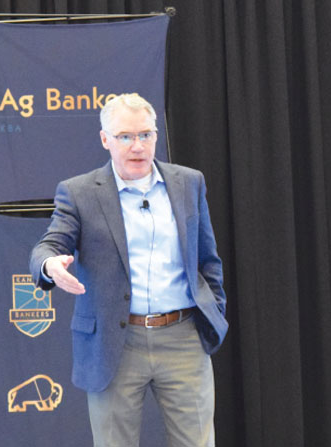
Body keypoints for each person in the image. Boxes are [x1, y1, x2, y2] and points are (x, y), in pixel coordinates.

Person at [29, 93, 228, 447]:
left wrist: (213, 311)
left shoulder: (189, 183)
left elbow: (207, 259)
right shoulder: (79, 192)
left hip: (183, 337)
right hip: (115, 343)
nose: (137, 146)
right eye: (125, 137)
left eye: (145, 135)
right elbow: (50, 245)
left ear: (156, 136)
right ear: (105, 139)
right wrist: (49, 264)